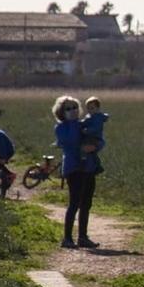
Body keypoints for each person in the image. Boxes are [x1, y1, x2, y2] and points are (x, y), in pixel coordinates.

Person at [53, 95, 98, 248]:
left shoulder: (82, 124)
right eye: (68, 108)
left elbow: (99, 138)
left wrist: (96, 146)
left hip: (89, 167)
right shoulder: (61, 127)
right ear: (61, 112)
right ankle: (67, 238)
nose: (73, 111)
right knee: (74, 203)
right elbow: (70, 141)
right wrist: (75, 125)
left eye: (75, 107)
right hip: (73, 168)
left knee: (86, 203)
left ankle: (83, 237)